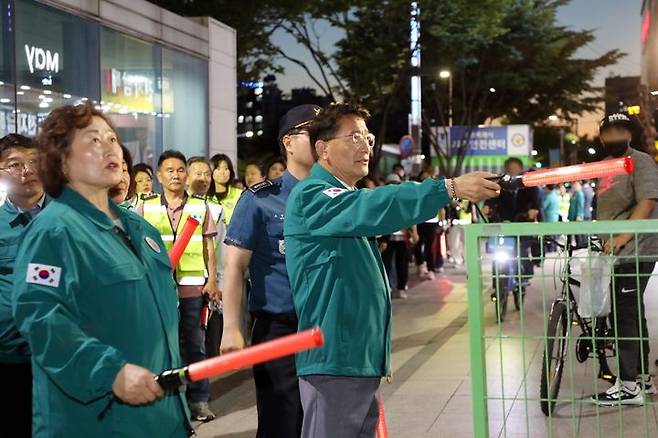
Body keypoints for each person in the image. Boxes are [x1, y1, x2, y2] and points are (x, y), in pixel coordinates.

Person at [284, 102, 500, 438]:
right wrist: (449, 188)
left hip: (354, 359)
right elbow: (375, 205)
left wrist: (377, 355)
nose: (365, 146)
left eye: (367, 138)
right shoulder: (313, 195)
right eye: (353, 137)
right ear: (323, 149)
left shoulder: (343, 197)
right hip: (334, 361)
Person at [11, 104, 191, 436]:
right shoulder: (54, 231)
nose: (110, 147)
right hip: (97, 421)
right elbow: (41, 318)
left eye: (112, 138)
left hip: (161, 419)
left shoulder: (141, 230)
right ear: (61, 161)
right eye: (94, 140)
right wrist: (110, 372)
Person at [221, 104, 321, 438]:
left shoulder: (338, 195)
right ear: (289, 142)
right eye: (314, 132)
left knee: (325, 420)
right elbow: (234, 267)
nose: (324, 140)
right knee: (283, 421)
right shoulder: (261, 199)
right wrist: (231, 328)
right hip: (280, 329)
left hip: (327, 328)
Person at [137, 150, 219, 422]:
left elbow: (209, 245)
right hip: (157, 288)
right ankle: (169, 403)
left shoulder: (199, 205)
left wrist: (212, 279)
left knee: (196, 345)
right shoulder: (145, 206)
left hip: (193, 286)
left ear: (186, 174)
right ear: (159, 175)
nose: (175, 174)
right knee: (162, 345)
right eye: (169, 170)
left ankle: (199, 400)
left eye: (180, 169)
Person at [591, 113, 658, 406]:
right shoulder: (606, 167)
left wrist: (623, 236)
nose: (615, 136)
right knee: (630, 310)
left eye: (621, 130)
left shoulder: (640, 160)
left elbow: (647, 200)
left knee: (624, 313)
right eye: (609, 131)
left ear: (630, 134)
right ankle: (641, 378)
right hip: (618, 250)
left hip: (637, 247)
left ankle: (629, 385)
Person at [0, 134, 49, 437]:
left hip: (62, 354)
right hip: (9, 356)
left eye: (34, 162)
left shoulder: (70, 218)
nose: (26, 170)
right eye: (14, 164)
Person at [186, 156, 226, 359]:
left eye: (207, 174)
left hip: (207, 285)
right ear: (186, 176)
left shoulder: (217, 209)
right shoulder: (170, 205)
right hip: (179, 286)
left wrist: (217, 282)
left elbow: (220, 252)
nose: (204, 178)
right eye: (198, 173)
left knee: (201, 347)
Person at [380, 173, 418, 299]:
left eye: (396, 184)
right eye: (390, 184)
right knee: (386, 264)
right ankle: (387, 287)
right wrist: (383, 239)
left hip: (403, 238)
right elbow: (382, 221)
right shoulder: (383, 201)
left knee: (402, 264)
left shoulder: (404, 200)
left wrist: (414, 232)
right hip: (388, 239)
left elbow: (411, 218)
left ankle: (401, 287)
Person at [415, 169, 442, 280]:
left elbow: (440, 208)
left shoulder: (435, 191)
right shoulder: (416, 190)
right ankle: (420, 265)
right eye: (423, 177)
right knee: (418, 244)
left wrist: (441, 223)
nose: (425, 179)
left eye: (428, 177)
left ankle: (431, 269)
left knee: (429, 248)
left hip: (432, 224)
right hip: (419, 222)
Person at [209, 153, 242, 225]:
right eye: (218, 168)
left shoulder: (240, 195)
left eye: (226, 169)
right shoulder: (205, 196)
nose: (222, 172)